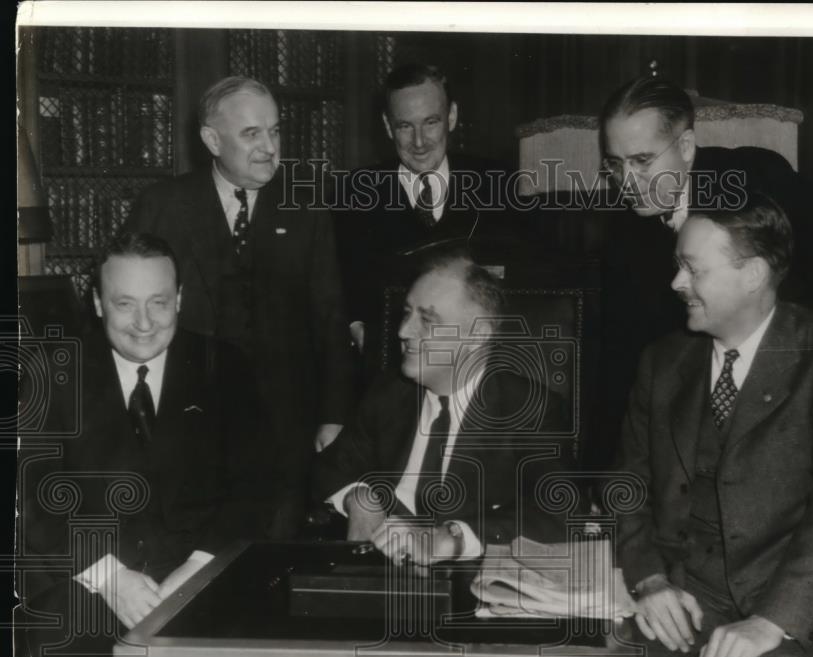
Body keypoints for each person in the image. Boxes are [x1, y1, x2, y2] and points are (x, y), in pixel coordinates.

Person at [615, 193, 813, 657]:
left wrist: (772, 622)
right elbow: (629, 483)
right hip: (693, 591)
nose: (676, 283)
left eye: (693, 269)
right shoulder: (662, 361)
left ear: (753, 274)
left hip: (805, 602)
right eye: (677, 266)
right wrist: (648, 578)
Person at [16, 233, 270, 657]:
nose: (144, 324)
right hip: (90, 582)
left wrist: (194, 573)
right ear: (96, 302)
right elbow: (34, 497)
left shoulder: (225, 367)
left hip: (203, 574)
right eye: (124, 304)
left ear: (179, 298)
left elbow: (255, 490)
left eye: (158, 303)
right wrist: (111, 577)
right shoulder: (52, 371)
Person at [592, 74, 813, 469]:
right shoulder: (625, 231)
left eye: (642, 161)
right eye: (615, 164)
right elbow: (620, 355)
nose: (627, 182)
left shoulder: (757, 181)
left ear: (687, 146)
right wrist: (604, 472)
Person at [125, 76, 354, 538]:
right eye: (252, 134)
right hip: (187, 426)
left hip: (283, 430)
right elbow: (131, 313)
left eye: (274, 131)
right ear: (212, 139)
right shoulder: (163, 206)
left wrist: (333, 415)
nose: (270, 147)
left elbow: (329, 317)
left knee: (271, 563)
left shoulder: (306, 206)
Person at [313, 247, 575, 563]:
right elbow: (325, 469)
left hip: (468, 585)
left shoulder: (529, 409)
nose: (403, 331)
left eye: (427, 319)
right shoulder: (389, 393)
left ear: (478, 334)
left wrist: (453, 538)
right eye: (407, 313)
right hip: (379, 572)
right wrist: (359, 498)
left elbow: (560, 512)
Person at [334, 63, 519, 376]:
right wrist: (355, 327)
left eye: (431, 122)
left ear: (452, 117)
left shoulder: (498, 183)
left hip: (477, 367)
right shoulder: (353, 191)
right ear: (388, 126)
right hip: (389, 369)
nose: (419, 142)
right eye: (405, 126)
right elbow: (337, 283)